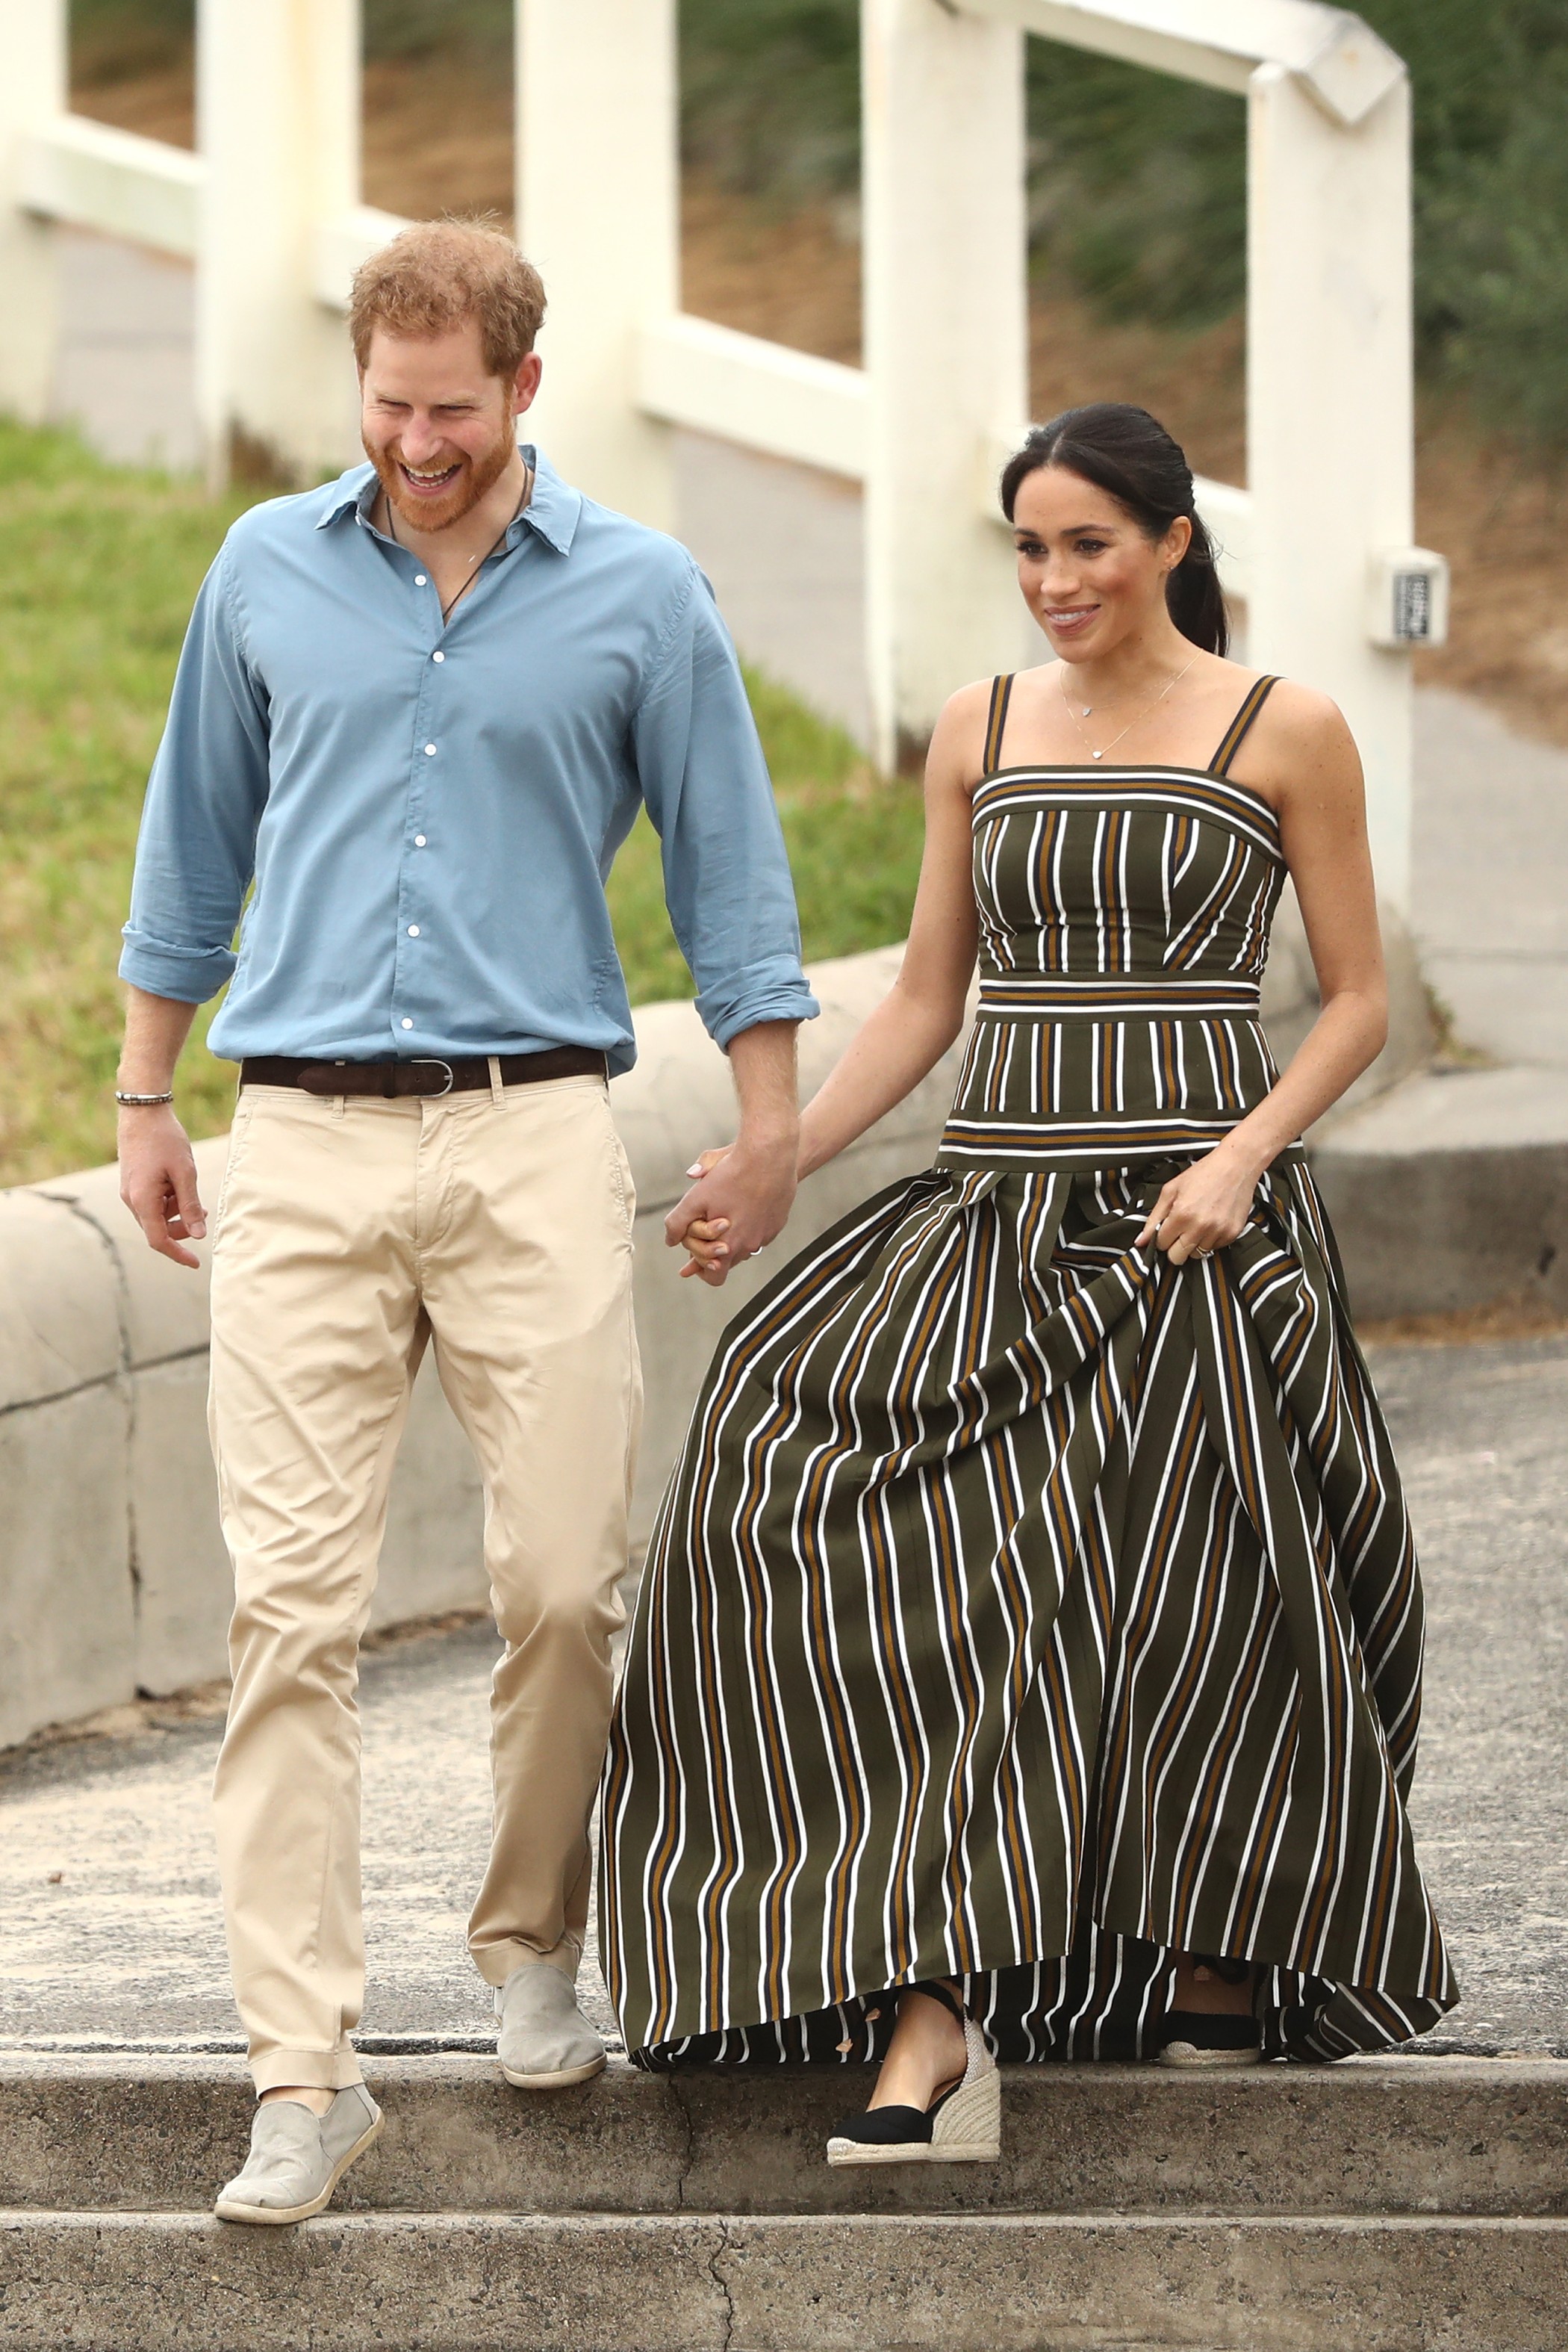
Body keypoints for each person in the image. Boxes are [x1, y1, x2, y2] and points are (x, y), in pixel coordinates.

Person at [602, 401, 1455, 2165]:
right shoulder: (976, 727)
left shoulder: (1287, 726)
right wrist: (782, 1161)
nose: (1054, 579)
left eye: (1088, 542)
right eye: (1028, 546)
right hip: (994, 1219)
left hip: (1194, 1230)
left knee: (1204, 1597)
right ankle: (902, 1973)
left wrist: (1238, 1158)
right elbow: (924, 998)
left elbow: (1360, 996)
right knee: (779, 1478)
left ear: (1171, 544)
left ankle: (1196, 1946)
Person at [115, 218, 815, 2224]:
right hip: (306, 1140)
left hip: (529, 1133)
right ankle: (298, 2067)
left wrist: (764, 1130)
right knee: (286, 1617)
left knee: (574, 1577)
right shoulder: (264, 566)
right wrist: (146, 1096)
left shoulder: (637, 591)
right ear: (364, 381)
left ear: (525, 385)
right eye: (387, 404)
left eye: (453, 408)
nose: (417, 443)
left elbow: (736, 878)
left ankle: (528, 1933)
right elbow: (189, 837)